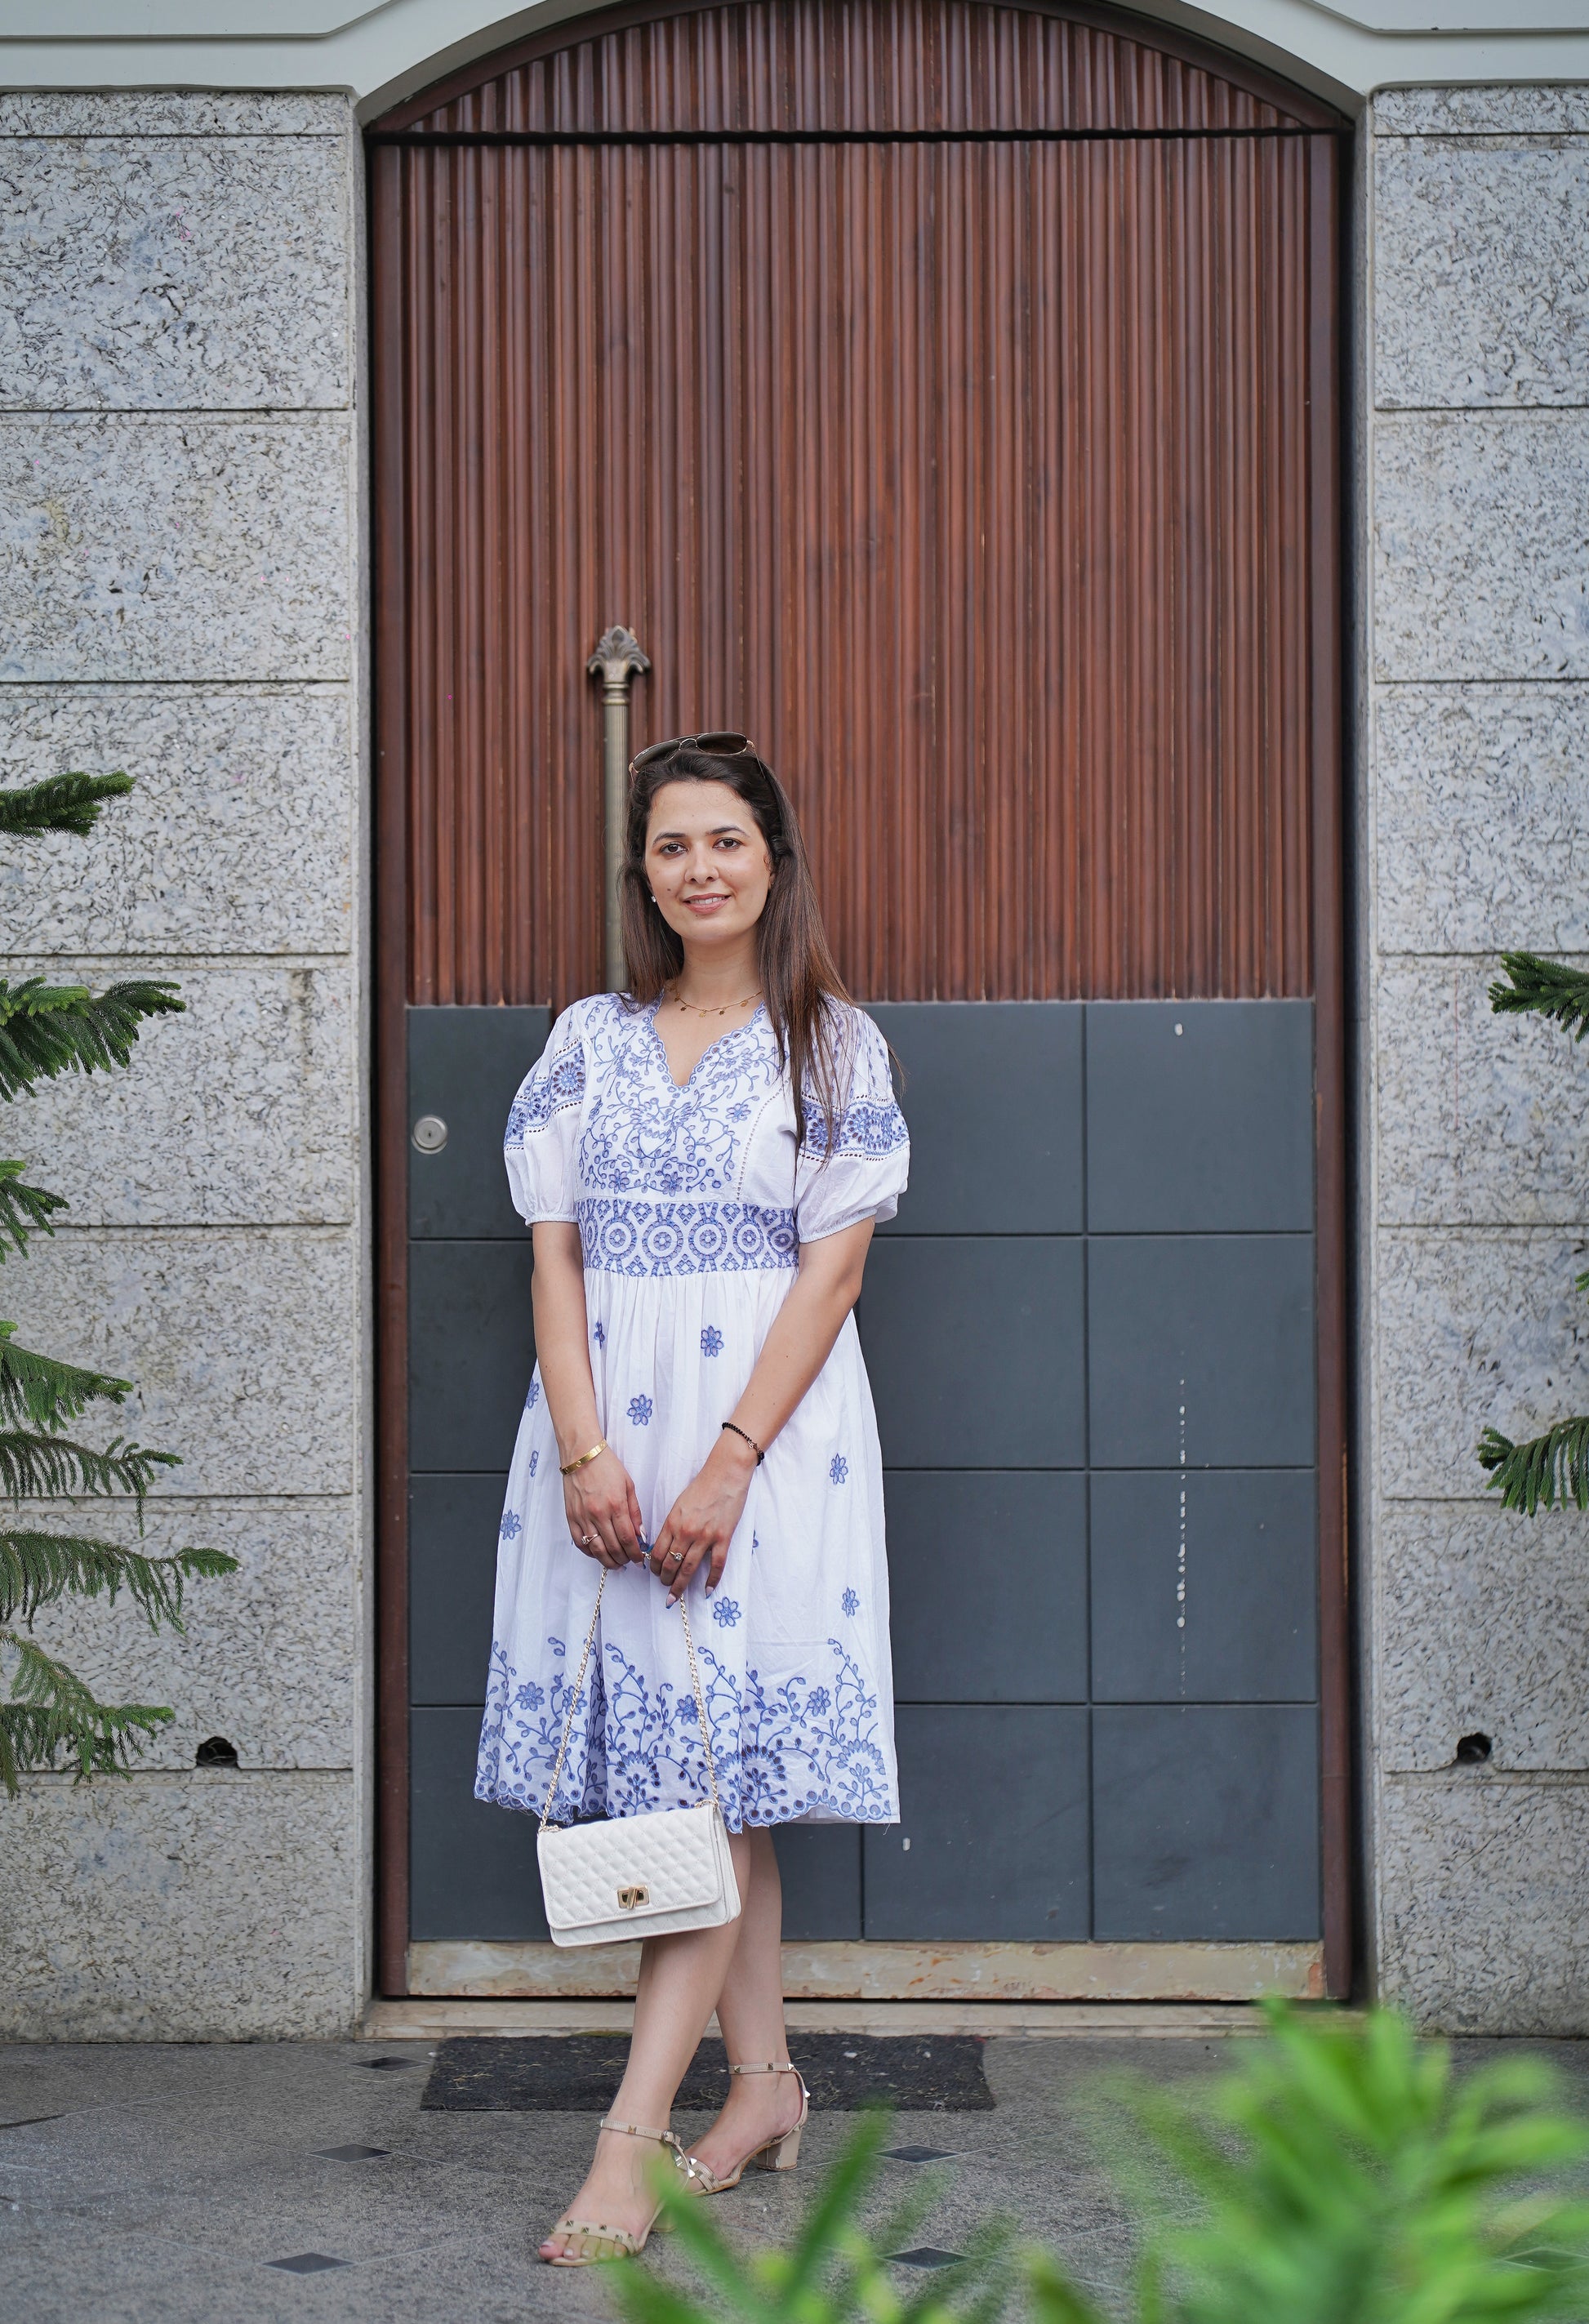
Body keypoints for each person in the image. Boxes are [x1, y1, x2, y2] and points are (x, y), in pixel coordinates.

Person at [474, 734, 909, 2264]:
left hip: (766, 1446)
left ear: (772, 859)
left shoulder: (830, 1046)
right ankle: (766, 2082)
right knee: (689, 1777)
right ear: (643, 872)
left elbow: (831, 1274)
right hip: (603, 1443)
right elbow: (553, 1253)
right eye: (671, 844)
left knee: (707, 1785)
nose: (700, 868)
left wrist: (727, 1459)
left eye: (726, 839)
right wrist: (585, 1450)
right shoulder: (586, 1037)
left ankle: (628, 2141)